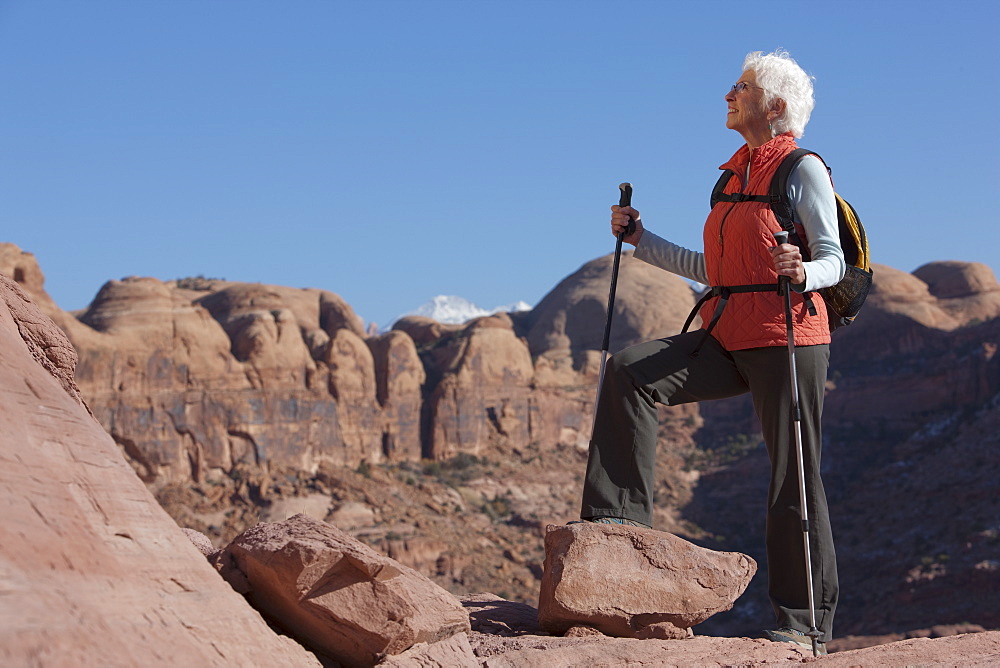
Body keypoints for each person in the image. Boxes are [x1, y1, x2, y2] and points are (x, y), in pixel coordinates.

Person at [579, 49, 844, 654]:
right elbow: (716, 270)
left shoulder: (801, 170)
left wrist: (802, 272)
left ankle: (804, 622)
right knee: (629, 371)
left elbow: (834, 258)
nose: (728, 94)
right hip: (728, 330)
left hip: (787, 337)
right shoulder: (731, 175)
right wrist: (641, 241)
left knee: (794, 475)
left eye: (741, 87)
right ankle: (616, 527)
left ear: (774, 105)